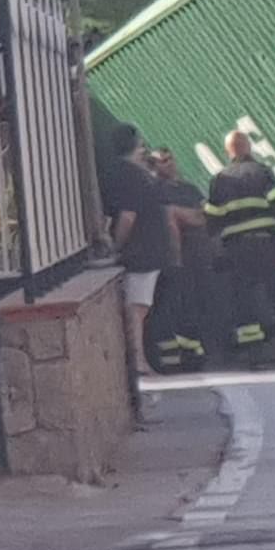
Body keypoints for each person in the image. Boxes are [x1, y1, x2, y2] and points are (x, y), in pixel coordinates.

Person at [205, 131, 275, 363]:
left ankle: (254, 354)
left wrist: (216, 253)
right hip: (266, 243)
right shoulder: (262, 172)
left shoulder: (219, 180)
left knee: (243, 298)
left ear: (228, 151)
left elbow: (212, 222)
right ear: (248, 147)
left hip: (236, 249)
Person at [102, 124, 172, 379]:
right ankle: (139, 363)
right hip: (145, 251)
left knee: (138, 309)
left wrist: (117, 246)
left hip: (143, 252)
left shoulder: (126, 173)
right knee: (137, 310)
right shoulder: (133, 175)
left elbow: (127, 216)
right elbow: (128, 216)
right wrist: (119, 246)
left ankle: (139, 362)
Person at [148, 149, 213, 373]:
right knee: (173, 307)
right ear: (154, 167)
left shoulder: (189, 189)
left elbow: (203, 216)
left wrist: (188, 216)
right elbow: (173, 218)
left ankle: (193, 352)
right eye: (161, 162)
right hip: (174, 260)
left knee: (195, 304)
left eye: (170, 159)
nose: (168, 164)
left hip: (198, 256)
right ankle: (173, 359)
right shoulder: (157, 190)